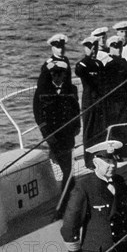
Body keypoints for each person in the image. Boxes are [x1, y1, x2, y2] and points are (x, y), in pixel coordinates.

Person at [33, 60, 80, 189]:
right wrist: (46, 134)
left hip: (68, 133)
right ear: (51, 75)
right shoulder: (41, 91)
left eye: (61, 74)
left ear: (65, 75)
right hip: (52, 134)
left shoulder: (71, 89)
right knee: (65, 166)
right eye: (55, 74)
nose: (58, 77)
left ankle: (66, 189)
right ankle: (67, 189)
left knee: (67, 166)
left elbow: (76, 109)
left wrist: (77, 126)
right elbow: (38, 116)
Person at [75, 36, 105, 169]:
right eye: (91, 48)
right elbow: (79, 71)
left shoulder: (99, 64)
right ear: (85, 49)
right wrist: (88, 56)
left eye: (96, 48)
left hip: (99, 102)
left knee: (99, 131)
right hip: (89, 102)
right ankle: (89, 161)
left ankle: (99, 157)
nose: (94, 50)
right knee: (89, 132)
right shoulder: (83, 64)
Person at [102, 36, 127, 148]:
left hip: (124, 99)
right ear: (109, 48)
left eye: (120, 46)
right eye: (115, 47)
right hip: (112, 101)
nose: (118, 49)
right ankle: (114, 150)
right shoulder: (107, 63)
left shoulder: (124, 63)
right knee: (114, 126)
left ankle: (124, 148)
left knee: (124, 124)